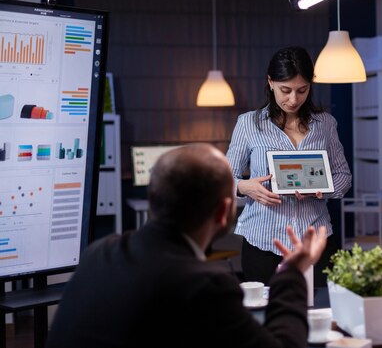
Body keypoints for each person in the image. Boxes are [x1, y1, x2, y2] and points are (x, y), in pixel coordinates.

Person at [46, 143, 327, 348]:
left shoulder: (100, 253)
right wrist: (291, 272)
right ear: (223, 212)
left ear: (154, 200)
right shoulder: (206, 285)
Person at [226, 46, 352, 286]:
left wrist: (321, 187)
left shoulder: (325, 124)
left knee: (318, 309)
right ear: (270, 82)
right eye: (286, 90)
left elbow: (344, 176)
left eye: (301, 90)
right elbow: (222, 179)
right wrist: (244, 187)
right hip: (262, 240)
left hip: (315, 239)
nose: (293, 99)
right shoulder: (248, 124)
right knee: (266, 313)